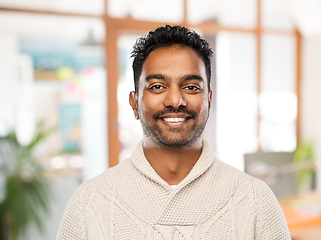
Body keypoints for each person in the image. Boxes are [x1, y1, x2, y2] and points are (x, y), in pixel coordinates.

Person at [57, 25, 290, 239]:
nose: (175, 100)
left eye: (191, 87)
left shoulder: (256, 200)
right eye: (157, 86)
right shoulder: (88, 202)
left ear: (209, 99)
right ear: (134, 102)